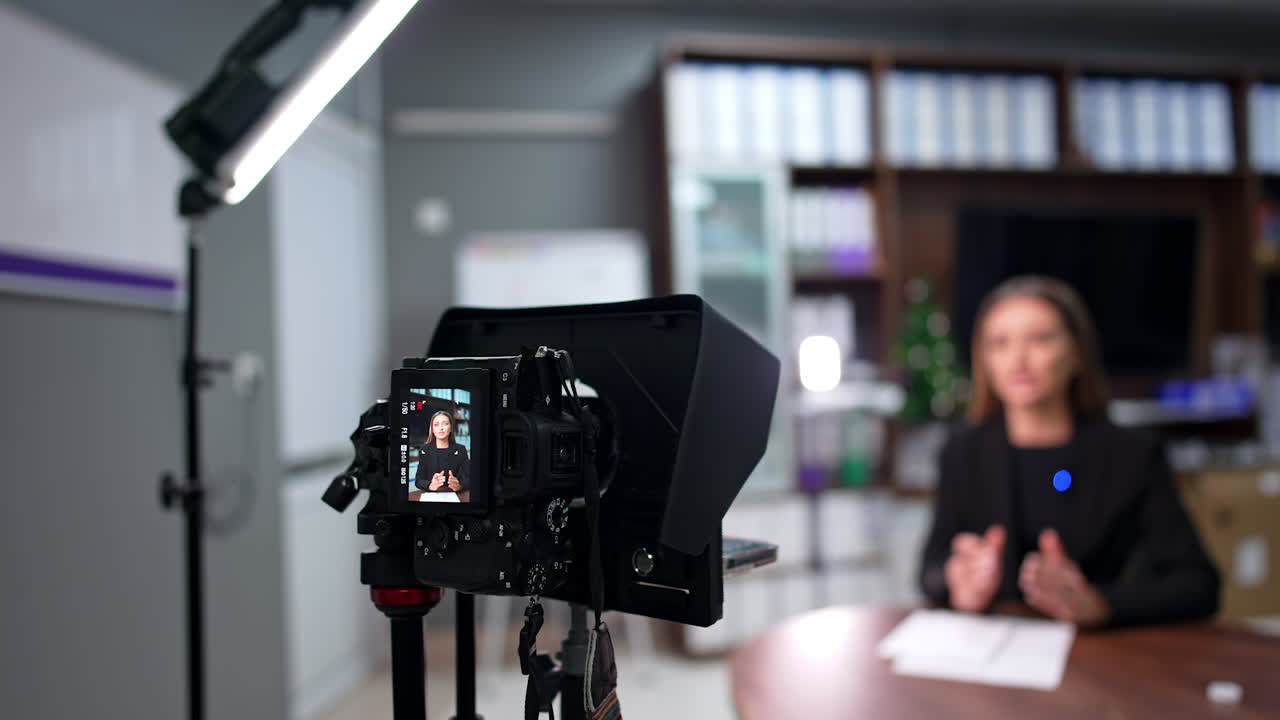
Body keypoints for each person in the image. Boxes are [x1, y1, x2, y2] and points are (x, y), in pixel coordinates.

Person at [918, 275, 1219, 627]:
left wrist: (1099, 603)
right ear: (984, 361)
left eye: (1040, 339)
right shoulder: (962, 453)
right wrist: (958, 582)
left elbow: (1199, 586)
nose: (1018, 359)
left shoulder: (1133, 455)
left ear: (1077, 353)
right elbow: (929, 570)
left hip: (1096, 655)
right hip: (991, 649)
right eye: (999, 343)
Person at [415, 410, 470, 494]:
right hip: (432, 497)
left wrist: (460, 485)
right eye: (436, 425)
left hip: (455, 497)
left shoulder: (460, 449)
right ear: (432, 429)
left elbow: (471, 478)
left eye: (445, 424)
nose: (441, 428)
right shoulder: (425, 450)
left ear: (451, 428)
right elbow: (418, 481)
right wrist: (430, 485)